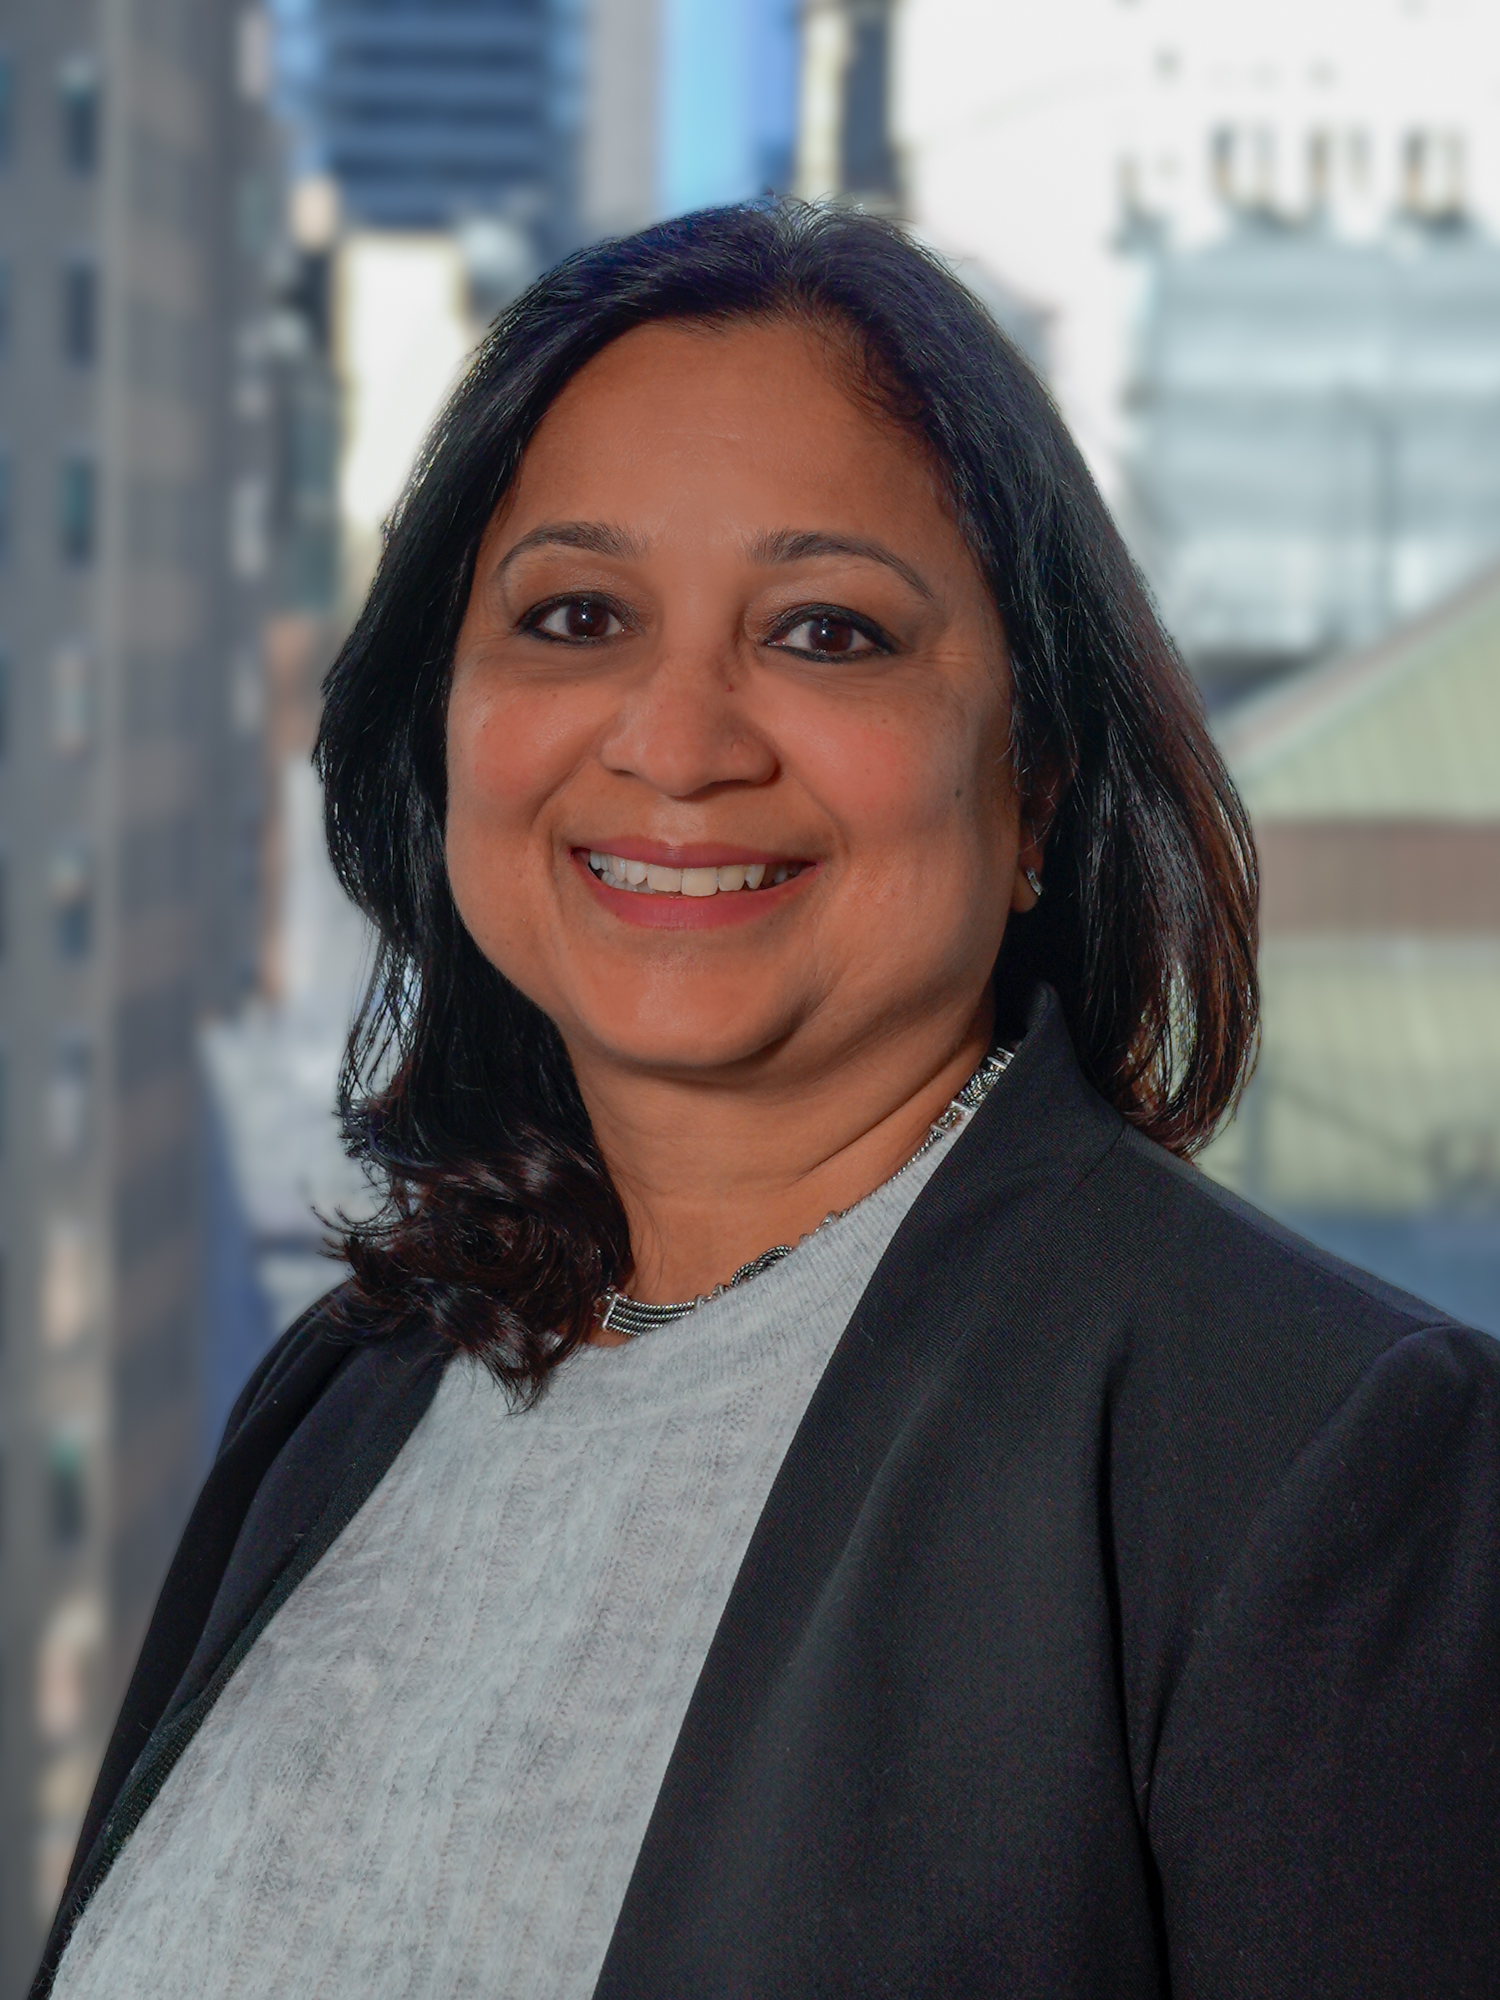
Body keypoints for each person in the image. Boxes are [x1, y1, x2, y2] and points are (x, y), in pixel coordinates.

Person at [37, 204, 1499, 2000]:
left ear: (1034, 784)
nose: (676, 737)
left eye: (826, 633)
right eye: (576, 615)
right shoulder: (350, 1390)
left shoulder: (1305, 1456)